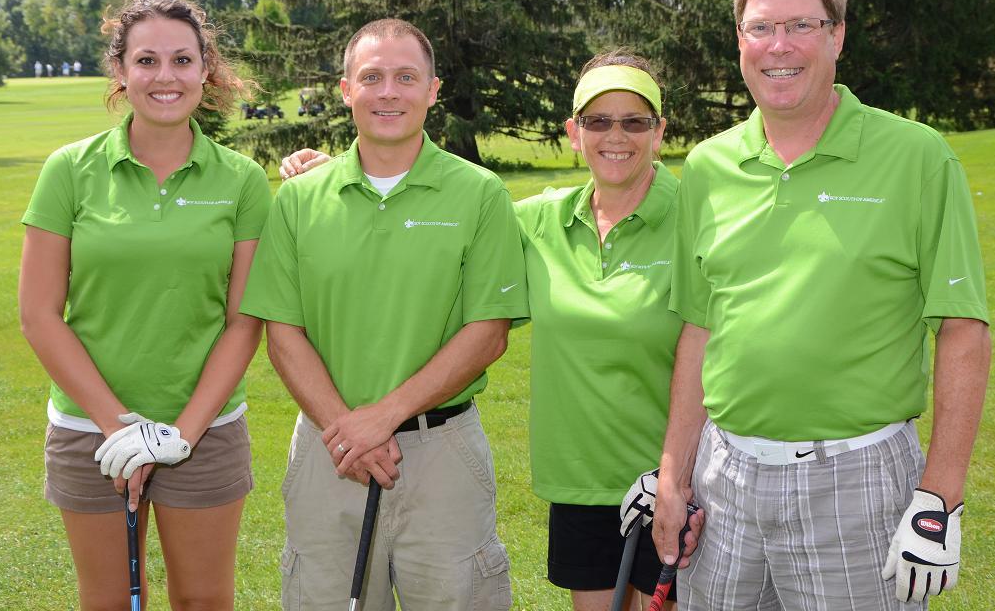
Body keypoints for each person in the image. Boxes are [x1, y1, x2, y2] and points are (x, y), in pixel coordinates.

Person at [280, 51, 694, 611]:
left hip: (674, 478)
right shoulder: (541, 220)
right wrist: (344, 173)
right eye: (598, 121)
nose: (615, 137)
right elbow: (436, 220)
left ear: (660, 131)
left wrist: (678, 477)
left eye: (634, 122)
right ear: (574, 133)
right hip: (580, 483)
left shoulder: (696, 218)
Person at [652, 0, 991, 610]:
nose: (778, 46)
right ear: (740, 43)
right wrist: (673, 473)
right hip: (724, 482)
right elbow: (700, 328)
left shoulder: (917, 157)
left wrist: (941, 497)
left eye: (801, 26)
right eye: (759, 28)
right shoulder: (709, 166)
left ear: (837, 36)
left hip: (857, 481)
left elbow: (962, 329)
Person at [240, 18, 527, 611]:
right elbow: (282, 333)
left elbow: (488, 333)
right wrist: (346, 427)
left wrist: (382, 418)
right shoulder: (297, 200)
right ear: (347, 91)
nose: (388, 91)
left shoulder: (479, 193)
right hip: (328, 450)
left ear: (433, 89)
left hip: (441, 454)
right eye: (371, 77)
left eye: (406, 77)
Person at [18, 0, 270, 611]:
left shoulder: (241, 180)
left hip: (206, 430)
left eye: (183, 61)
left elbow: (244, 321)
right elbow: (39, 313)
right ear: (121, 71)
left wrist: (179, 435)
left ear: (205, 71)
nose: (165, 77)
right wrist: (118, 428)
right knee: (106, 602)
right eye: (147, 60)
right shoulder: (70, 171)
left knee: (203, 601)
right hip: (89, 431)